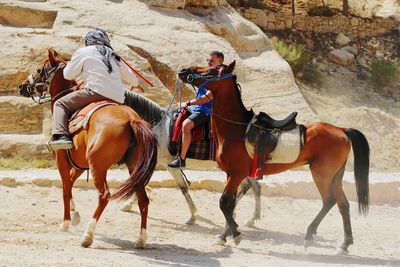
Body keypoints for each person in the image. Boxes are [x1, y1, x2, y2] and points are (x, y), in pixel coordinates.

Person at [50, 28, 142, 150]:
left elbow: (68, 75)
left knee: (60, 104)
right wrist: (135, 84)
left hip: (94, 92)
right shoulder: (114, 55)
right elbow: (133, 80)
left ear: (88, 41)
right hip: (118, 98)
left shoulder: (83, 51)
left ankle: (62, 137)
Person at [168, 50, 225, 168]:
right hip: (197, 107)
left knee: (186, 125)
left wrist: (188, 103)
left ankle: (181, 159)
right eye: (208, 60)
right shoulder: (210, 73)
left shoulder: (220, 77)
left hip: (207, 110)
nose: (209, 62)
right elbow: (196, 78)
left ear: (220, 61)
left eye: (212, 60)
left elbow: (207, 98)